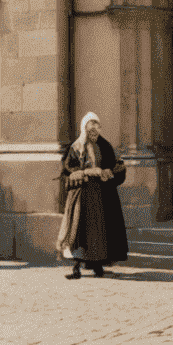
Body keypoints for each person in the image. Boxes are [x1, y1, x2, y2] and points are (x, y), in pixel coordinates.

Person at [58, 112, 129, 279]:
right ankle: (76, 266)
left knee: (99, 231)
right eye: (91, 130)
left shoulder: (105, 146)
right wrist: (86, 172)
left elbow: (118, 166)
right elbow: (67, 172)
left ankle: (97, 265)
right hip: (81, 197)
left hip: (102, 197)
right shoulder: (75, 148)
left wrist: (108, 172)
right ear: (85, 129)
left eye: (97, 129)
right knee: (77, 230)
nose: (94, 133)